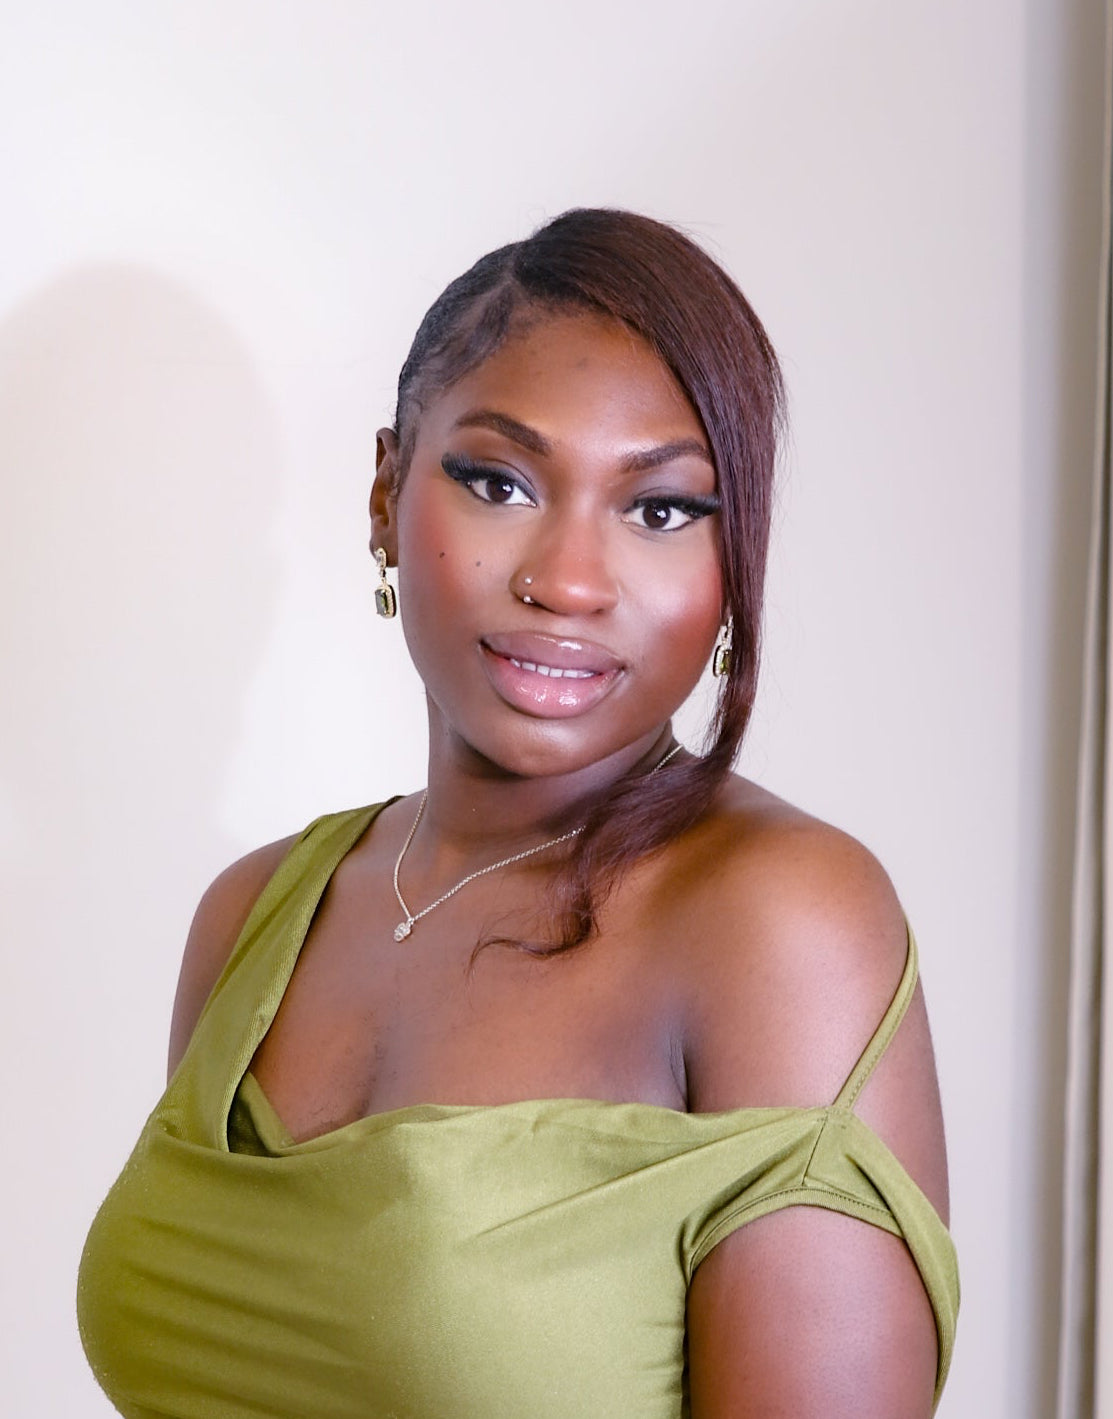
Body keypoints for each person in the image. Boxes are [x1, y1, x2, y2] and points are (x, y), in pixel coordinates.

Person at [78, 208, 958, 1418]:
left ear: (732, 553)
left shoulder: (778, 921)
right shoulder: (254, 916)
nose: (569, 580)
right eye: (499, 481)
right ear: (387, 494)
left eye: (660, 510)